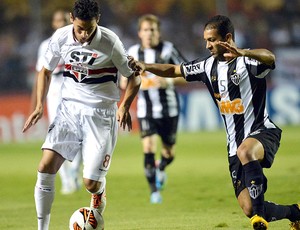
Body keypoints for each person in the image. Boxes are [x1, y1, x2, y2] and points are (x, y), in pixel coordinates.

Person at [130, 15, 300, 230]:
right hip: (233, 145)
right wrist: (144, 65)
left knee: (246, 152)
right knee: (247, 206)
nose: (207, 45)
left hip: (262, 132)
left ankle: (259, 220)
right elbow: (174, 70)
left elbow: (270, 58)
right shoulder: (206, 66)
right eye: (206, 40)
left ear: (227, 38)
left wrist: (245, 51)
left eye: (211, 40)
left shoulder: (248, 61)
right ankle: (295, 212)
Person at [22, 0, 141, 229]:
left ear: (98, 20)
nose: (84, 34)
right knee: (45, 167)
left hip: (101, 115)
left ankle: (99, 190)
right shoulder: (61, 37)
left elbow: (134, 77)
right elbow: (45, 70)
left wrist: (125, 105)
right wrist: (38, 106)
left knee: (90, 183)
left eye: (90, 28)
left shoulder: (110, 41)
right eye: (80, 28)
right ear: (70, 19)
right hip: (69, 110)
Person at [119, 14, 186, 204]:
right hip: (145, 110)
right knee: (148, 148)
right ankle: (154, 192)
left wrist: (167, 81)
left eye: (153, 30)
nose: (149, 34)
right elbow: (124, 82)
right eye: (146, 30)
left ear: (158, 32)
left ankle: (161, 167)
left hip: (169, 108)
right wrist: (128, 81)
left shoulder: (168, 49)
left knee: (169, 153)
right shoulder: (132, 52)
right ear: (140, 33)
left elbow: (187, 74)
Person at [31, 9, 82, 195]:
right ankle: (67, 181)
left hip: (73, 88)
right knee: (57, 138)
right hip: (54, 92)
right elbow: (42, 73)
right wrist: (39, 102)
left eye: (63, 20)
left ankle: (74, 173)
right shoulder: (46, 44)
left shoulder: (76, 40)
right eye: (57, 20)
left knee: (79, 136)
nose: (60, 23)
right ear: (53, 23)